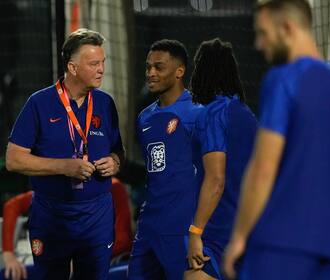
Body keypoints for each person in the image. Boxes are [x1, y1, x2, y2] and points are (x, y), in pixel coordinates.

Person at [223, 1, 330, 279]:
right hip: (326, 252)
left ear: (287, 28)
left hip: (277, 247)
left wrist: (239, 237)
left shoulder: (283, 79)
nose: (258, 43)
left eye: (263, 33)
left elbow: (263, 168)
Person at [5, 28, 124, 279]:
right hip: (52, 215)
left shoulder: (105, 103)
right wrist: (64, 167)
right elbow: (13, 160)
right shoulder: (39, 103)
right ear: (72, 67)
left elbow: (117, 152)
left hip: (97, 216)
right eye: (94, 64)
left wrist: (114, 163)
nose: (102, 69)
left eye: (103, 62)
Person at [128, 39, 203, 280]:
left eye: (158, 67)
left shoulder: (199, 113)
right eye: (148, 67)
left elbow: (216, 174)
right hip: (148, 228)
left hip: (182, 229)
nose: (150, 73)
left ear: (179, 71)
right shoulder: (144, 118)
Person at [184, 38, 257, 280]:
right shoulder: (247, 115)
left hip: (218, 232)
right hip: (250, 230)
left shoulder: (213, 114)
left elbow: (216, 179)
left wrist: (196, 232)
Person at [2, 177, 133, 280]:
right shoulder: (59, 185)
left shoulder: (113, 187)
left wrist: (78, 253)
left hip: (110, 260)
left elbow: (123, 240)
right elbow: (12, 206)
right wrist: (8, 253)